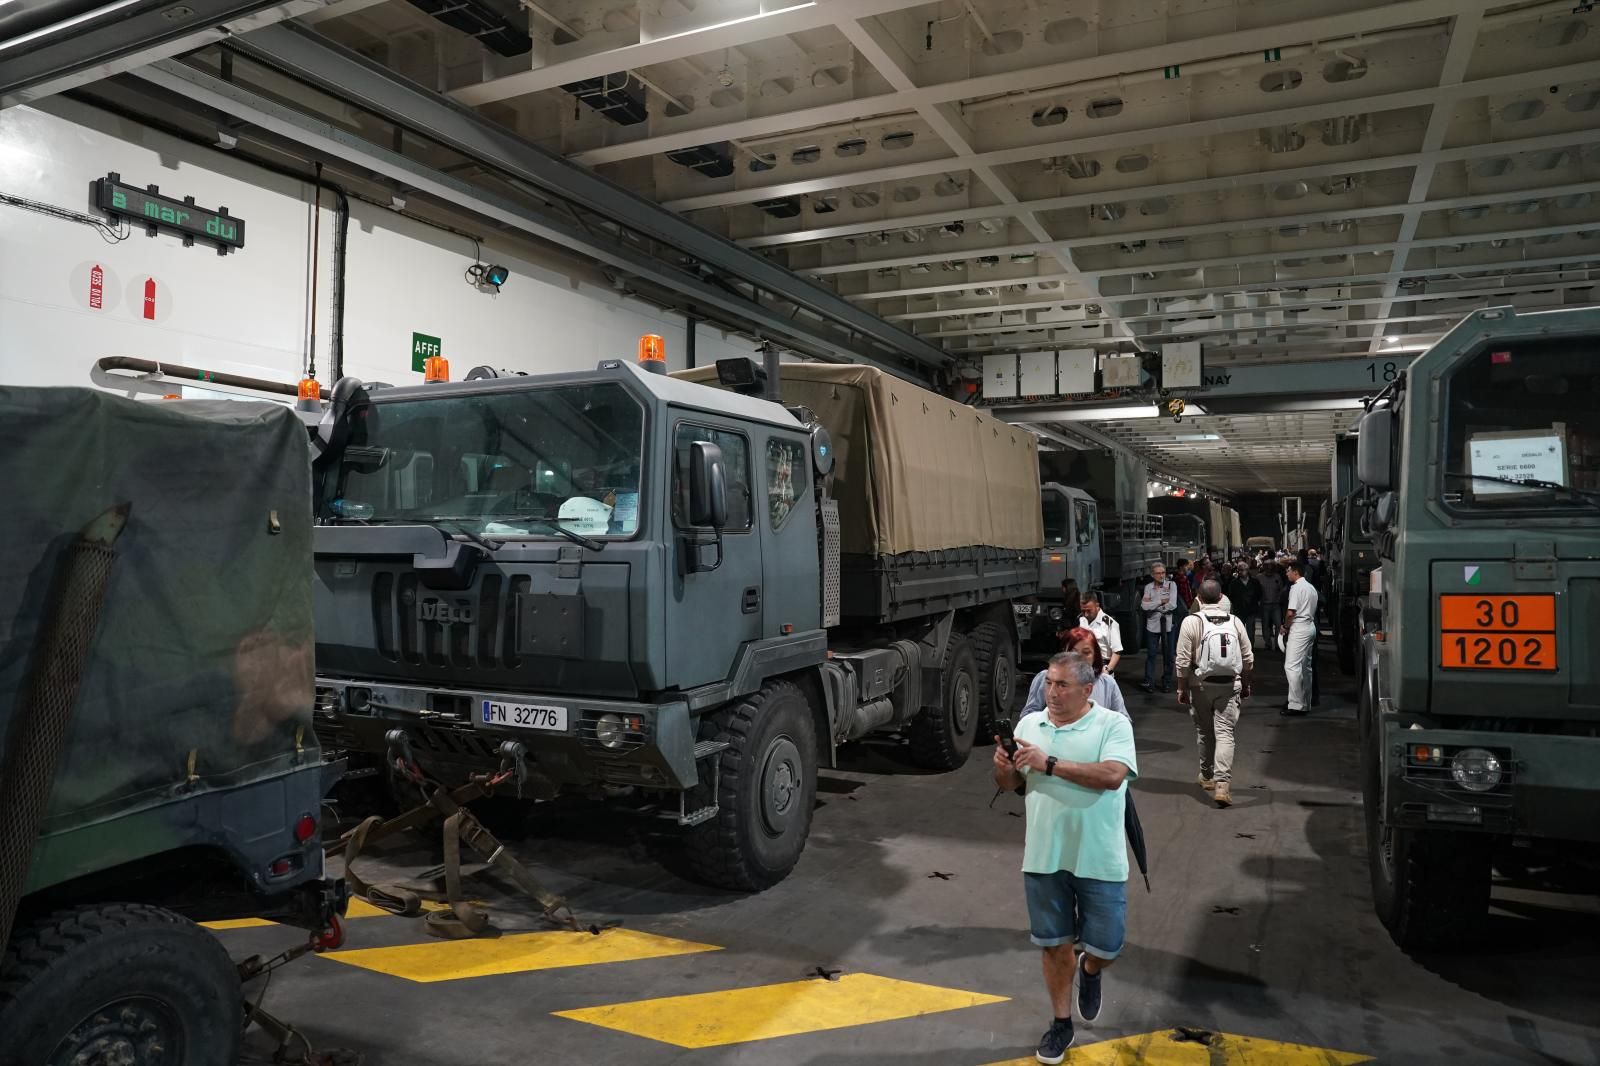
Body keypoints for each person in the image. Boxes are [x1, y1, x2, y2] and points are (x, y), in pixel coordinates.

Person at [992, 653, 1138, 1064]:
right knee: (1054, 946)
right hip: (1043, 857)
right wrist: (1004, 767)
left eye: (1061, 685)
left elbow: (1112, 776)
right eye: (1048, 683)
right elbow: (1010, 784)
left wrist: (1049, 763)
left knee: (1107, 946)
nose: (1050, 693)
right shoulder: (1028, 725)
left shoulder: (1113, 725)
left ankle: (1090, 971)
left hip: (1099, 859)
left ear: (1087, 690)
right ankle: (1061, 1023)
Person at [1174, 580, 1254, 807]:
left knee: (1205, 731)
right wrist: (1246, 684)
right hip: (1229, 685)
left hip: (1199, 685)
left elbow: (1181, 660)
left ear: (1198, 598)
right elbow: (1248, 659)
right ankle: (1222, 785)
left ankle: (1206, 775)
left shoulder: (1191, 622)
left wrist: (1181, 687)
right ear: (1221, 599)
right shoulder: (1236, 622)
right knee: (1225, 733)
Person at [1022, 627, 1128, 719]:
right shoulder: (1046, 678)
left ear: (1095, 655)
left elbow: (1123, 720)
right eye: (1073, 652)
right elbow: (1028, 715)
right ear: (1064, 652)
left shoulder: (1107, 683)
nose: (1080, 658)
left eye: (1086, 653)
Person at [1280, 561, 1319, 715]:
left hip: (1299, 628)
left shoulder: (1296, 588)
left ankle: (1296, 704)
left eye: (1288, 571)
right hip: (1310, 626)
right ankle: (1306, 702)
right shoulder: (1311, 588)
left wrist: (1286, 626)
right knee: (1305, 667)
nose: (1286, 573)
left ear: (1296, 572)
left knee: (1291, 666)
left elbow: (1291, 612)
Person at [1138, 563, 1180, 693]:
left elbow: (1172, 604)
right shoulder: (1148, 587)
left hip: (1168, 625)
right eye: (1158, 573)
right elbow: (1144, 606)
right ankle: (1149, 681)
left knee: (1169, 655)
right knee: (1151, 654)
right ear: (1152, 575)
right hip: (1153, 625)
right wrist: (1161, 602)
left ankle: (1167, 682)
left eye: (1163, 572)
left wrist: (1153, 605)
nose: (1161, 575)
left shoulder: (1171, 585)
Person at [1078, 592, 1122, 676]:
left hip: (1101, 667)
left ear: (1097, 606)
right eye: (1083, 611)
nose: (1086, 614)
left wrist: (1108, 669)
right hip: (1083, 666)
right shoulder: (1081, 620)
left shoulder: (1110, 624)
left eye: (1089, 611)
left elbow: (1117, 651)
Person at [1226, 564, 1260, 648]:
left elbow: (1259, 594)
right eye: (1239, 570)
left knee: (1250, 631)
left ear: (1247, 570)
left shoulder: (1254, 582)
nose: (1240, 572)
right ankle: (1239, 648)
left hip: (1251, 610)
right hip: (1239, 610)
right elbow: (1231, 596)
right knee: (1239, 631)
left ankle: (1250, 648)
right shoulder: (1234, 582)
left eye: (1242, 570)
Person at [1254, 563, 1286, 653]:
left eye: (1271, 568)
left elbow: (1281, 589)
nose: (1269, 570)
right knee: (1265, 626)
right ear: (1264, 568)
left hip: (1276, 605)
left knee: (1279, 625)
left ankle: (1277, 644)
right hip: (1264, 605)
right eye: (1267, 568)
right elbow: (1256, 591)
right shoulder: (1259, 577)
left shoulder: (1277, 577)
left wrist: (1279, 599)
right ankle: (1268, 644)